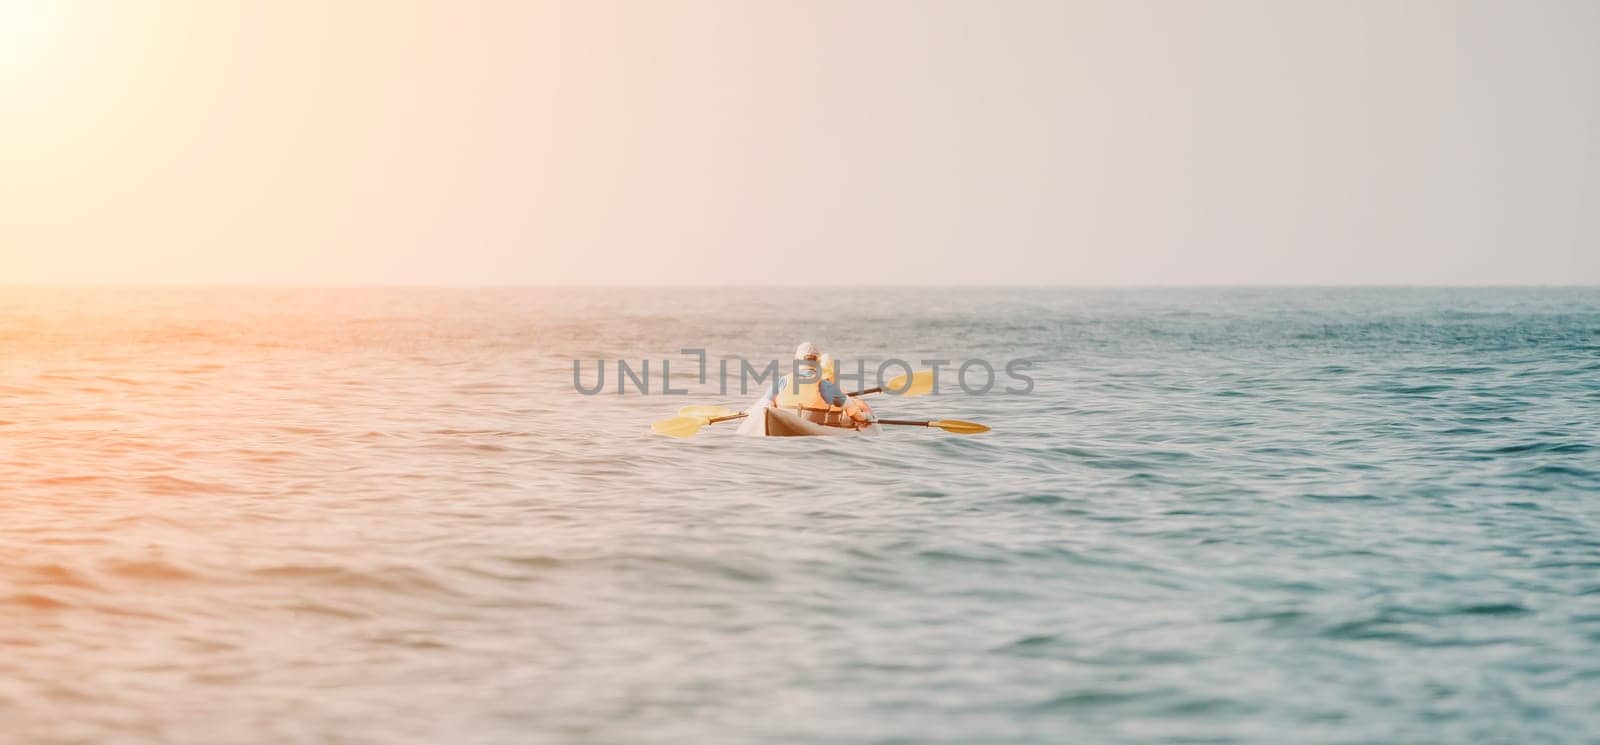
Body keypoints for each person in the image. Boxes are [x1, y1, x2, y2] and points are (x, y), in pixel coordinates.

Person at [768, 342, 872, 426]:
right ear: (818, 363)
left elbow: (765, 404)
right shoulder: (826, 385)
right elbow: (851, 408)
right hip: (815, 430)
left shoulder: (781, 381)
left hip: (783, 425)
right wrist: (864, 419)